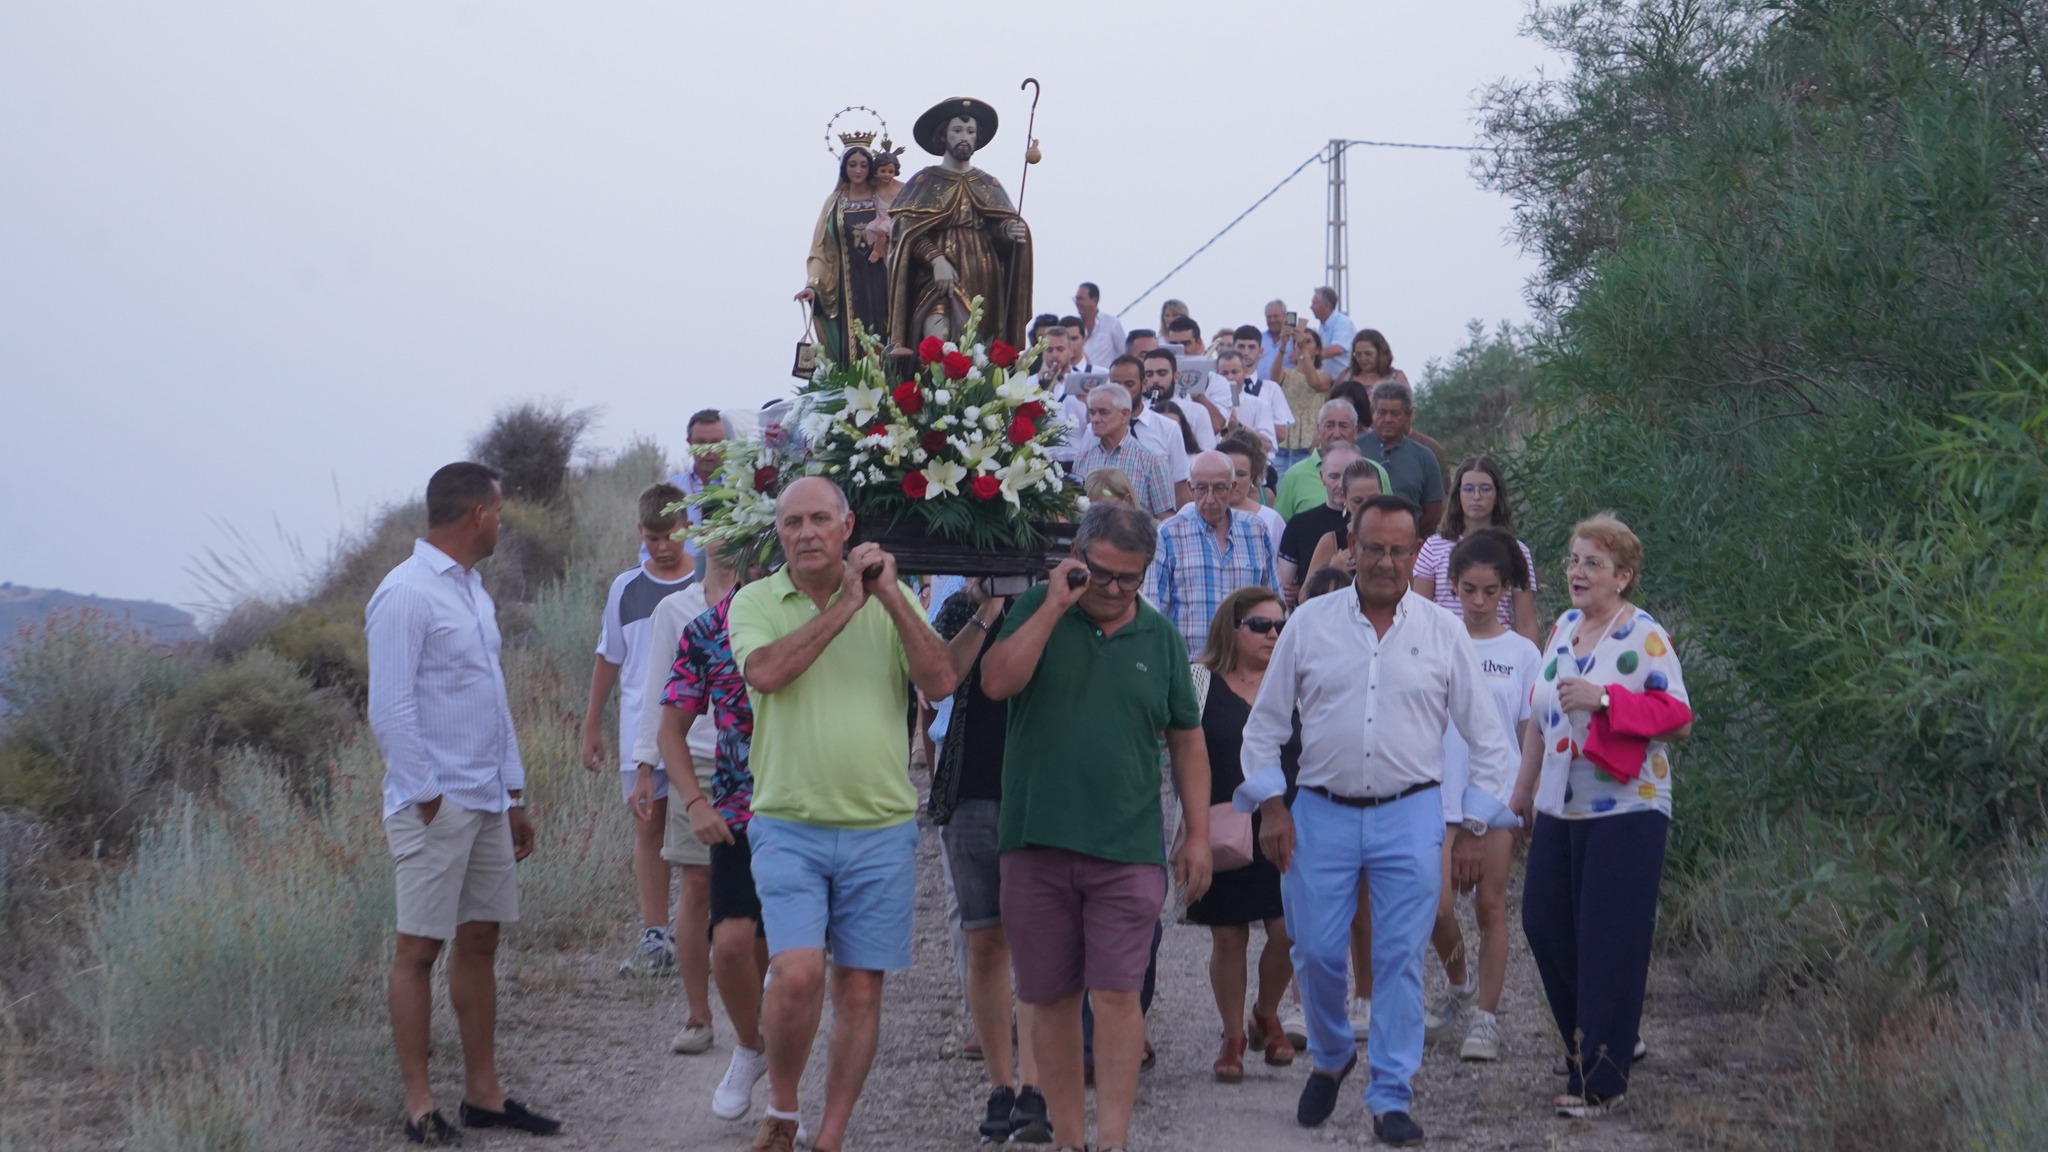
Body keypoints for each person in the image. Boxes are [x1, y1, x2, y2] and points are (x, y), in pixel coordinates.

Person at [1236, 494, 1519, 1144]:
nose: (1386, 561)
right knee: (1314, 952)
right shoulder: (1308, 624)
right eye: (1373, 548)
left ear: (1415, 552)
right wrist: (1272, 805)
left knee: (1397, 959)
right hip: (1320, 814)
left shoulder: (1442, 631)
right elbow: (1265, 728)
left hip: (1410, 813)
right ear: (1351, 546)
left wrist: (1474, 821)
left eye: (1399, 550)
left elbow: (1489, 740)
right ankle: (1334, 1054)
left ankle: (1391, 1094)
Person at [726, 477, 960, 1152]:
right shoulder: (756, 601)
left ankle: (829, 1136)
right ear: (779, 532)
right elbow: (767, 673)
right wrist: (846, 605)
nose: (806, 533)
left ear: (847, 525)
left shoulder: (894, 597)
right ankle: (783, 1109)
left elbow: (940, 681)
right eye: (793, 521)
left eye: (820, 519)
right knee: (798, 975)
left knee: (859, 989)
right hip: (788, 821)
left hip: (879, 825)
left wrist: (886, 595)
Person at [980, 503, 1214, 1152]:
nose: (1112, 591)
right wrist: (1055, 606)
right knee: (1048, 998)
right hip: (1035, 841)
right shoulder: (1036, 610)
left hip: (1128, 847)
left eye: (1128, 580)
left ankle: (1111, 1140)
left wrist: (1196, 834)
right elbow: (997, 683)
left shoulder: (1161, 637)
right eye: (1101, 575)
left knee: (1116, 995)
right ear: (1077, 560)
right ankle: (1067, 1138)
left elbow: (1188, 742)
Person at [366, 462, 560, 1143]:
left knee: (480, 940)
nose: (502, 523)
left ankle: (485, 1096)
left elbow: (492, 699)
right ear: (477, 513)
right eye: (499, 511)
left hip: (484, 798)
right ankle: (421, 1106)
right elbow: (388, 709)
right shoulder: (406, 593)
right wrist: (426, 799)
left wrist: (514, 794)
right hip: (437, 804)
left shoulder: (474, 594)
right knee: (418, 949)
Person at [1511, 514, 1692, 1118]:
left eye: (1593, 562)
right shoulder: (1562, 628)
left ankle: (1600, 1078)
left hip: (1627, 807)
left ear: (1624, 575)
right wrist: (1522, 790)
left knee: (1608, 939)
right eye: (1572, 559)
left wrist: (1607, 698)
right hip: (1559, 803)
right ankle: (1593, 1040)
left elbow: (1678, 717)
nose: (1577, 572)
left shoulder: (1643, 635)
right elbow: (1542, 715)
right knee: (1543, 922)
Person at [930, 580, 1053, 1144]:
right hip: (972, 787)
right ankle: (1001, 1083)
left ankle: (1036, 1086)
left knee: (1035, 946)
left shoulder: (1056, 601)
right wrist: (986, 608)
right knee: (983, 940)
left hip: (1037, 790)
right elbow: (936, 684)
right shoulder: (960, 605)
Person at [658, 547, 777, 1122]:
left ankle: (786, 1087)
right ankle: (752, 1047)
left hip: (808, 809)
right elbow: (671, 729)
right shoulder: (708, 629)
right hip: (737, 810)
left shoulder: (813, 618)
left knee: (787, 957)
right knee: (730, 944)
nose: (765, 567)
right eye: (757, 557)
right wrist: (694, 800)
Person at [1420, 530, 1539, 1063]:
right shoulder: (1432, 637)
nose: (1479, 601)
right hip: (1437, 789)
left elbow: (1526, 734)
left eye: (1491, 591)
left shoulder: (1522, 653)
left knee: (1490, 905)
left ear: (1507, 590)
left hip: (1493, 795)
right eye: (1468, 589)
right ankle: (1459, 981)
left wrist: (1523, 797)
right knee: (1435, 905)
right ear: (1452, 585)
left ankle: (1485, 1021)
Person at [1184, 587, 1299, 1082]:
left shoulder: (1295, 681)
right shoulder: (1197, 682)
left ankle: (1266, 1011)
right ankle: (1233, 1034)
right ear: (1231, 628)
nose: (1273, 634)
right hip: (1221, 825)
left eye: (1280, 626)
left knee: (1290, 931)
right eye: (1260, 625)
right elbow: (1172, 748)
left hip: (1286, 824)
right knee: (1228, 936)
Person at [582, 483, 697, 977]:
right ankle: (655, 936)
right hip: (639, 733)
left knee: (704, 833)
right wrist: (592, 726)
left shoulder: (709, 581)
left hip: (702, 732)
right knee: (648, 829)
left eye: (670, 535)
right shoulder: (625, 588)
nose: (663, 546)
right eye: (652, 538)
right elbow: (610, 656)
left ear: (687, 528)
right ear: (640, 534)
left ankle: (705, 932)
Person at [629, 569, 721, 1057]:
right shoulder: (674, 609)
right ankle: (698, 1014)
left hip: (762, 755)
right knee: (697, 884)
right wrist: (646, 765)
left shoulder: (768, 592)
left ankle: (758, 1010)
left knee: (761, 886)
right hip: (696, 757)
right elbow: (658, 689)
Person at [887, 98, 1033, 353]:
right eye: (957, 131)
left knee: (978, 348)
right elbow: (906, 232)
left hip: (983, 275)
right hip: (937, 276)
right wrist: (936, 260)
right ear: (943, 136)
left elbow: (996, 231)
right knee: (936, 335)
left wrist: (1007, 232)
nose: (964, 137)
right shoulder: (925, 181)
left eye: (970, 132)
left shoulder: (988, 183)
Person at [1144, 451, 1277, 660]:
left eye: (1219, 488)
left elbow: (1272, 601)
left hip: (1244, 666)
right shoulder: (1170, 534)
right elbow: (1154, 610)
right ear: (1190, 488)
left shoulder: (1256, 530)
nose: (1210, 499)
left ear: (1232, 488)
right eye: (1201, 489)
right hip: (1190, 666)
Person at [1412, 456, 1540, 643]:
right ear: (1458, 494)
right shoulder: (1433, 547)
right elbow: (1419, 613)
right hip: (1444, 648)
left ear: (1497, 495)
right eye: (1469, 489)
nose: (1477, 496)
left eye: (1485, 489)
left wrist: (1533, 666)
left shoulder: (1516, 551)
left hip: (1497, 651)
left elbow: (1525, 621)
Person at [798, 146, 891, 363]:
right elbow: (823, 248)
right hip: (849, 284)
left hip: (884, 277)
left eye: (863, 165)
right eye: (852, 165)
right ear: (844, 167)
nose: (858, 170)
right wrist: (813, 285)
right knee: (854, 337)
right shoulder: (835, 203)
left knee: (887, 329)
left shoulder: (883, 197)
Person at [1275, 441, 1364, 605]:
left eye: (1349, 476)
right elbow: (1284, 592)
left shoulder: (1375, 525)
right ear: (1322, 477)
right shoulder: (1300, 525)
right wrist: (1332, 569)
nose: (1341, 485)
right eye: (1334, 476)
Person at [1072, 382, 1175, 521]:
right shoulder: (1082, 459)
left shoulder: (1152, 461)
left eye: (1103, 412)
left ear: (1124, 415)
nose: (1095, 419)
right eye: (1092, 412)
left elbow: (1166, 520)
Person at [1355, 381, 1447, 536]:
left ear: (1409, 415)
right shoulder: (1354, 451)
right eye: (1382, 412)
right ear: (1372, 412)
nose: (1388, 419)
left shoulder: (1425, 457)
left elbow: (1434, 512)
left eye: (1395, 413)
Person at [1104, 354, 1191, 506]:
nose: (1122, 391)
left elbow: (1180, 488)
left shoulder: (1168, 428)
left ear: (1144, 384)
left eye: (1129, 384)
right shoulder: (1094, 430)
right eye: (1116, 385)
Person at [1273, 399, 1360, 521]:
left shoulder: (1374, 471)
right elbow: (1281, 527)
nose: (1336, 434)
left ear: (1355, 430)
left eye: (1343, 426)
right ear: (1318, 430)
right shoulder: (1294, 476)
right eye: (1329, 426)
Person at [1306, 458, 1389, 578]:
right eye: (1357, 501)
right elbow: (1304, 596)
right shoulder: (1331, 541)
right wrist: (1332, 571)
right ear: (1345, 500)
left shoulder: (1396, 537)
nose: (1365, 507)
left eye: (1372, 500)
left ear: (1382, 495)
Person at [1214, 432, 1285, 573]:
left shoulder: (1271, 519)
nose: (1233, 480)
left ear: (1252, 477)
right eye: (1228, 472)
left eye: (1241, 474)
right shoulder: (1193, 512)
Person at [1142, 347, 1217, 453]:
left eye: (1162, 373)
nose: (1155, 380)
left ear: (1176, 377)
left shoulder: (1197, 412)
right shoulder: (1138, 411)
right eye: (1149, 374)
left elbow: (1208, 454)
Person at [858, 149, 905, 262]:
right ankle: (880, 248)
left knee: (881, 230)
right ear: (876, 172)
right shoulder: (876, 184)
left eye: (890, 172)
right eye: (883, 171)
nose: (887, 175)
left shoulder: (901, 187)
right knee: (869, 229)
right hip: (881, 217)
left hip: (894, 217)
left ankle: (877, 252)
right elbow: (860, 180)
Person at [1075, 281, 1127, 369]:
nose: (1077, 303)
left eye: (1081, 299)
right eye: (1076, 299)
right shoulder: (1074, 326)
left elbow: (1124, 353)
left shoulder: (1112, 323)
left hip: (1106, 380)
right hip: (1079, 379)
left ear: (1095, 300)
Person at [1308, 287, 1355, 381]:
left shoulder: (1342, 322)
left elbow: (1337, 349)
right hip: (1327, 381)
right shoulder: (1322, 326)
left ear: (1326, 305)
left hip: (1343, 381)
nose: (1311, 307)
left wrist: (1308, 356)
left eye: (1314, 303)